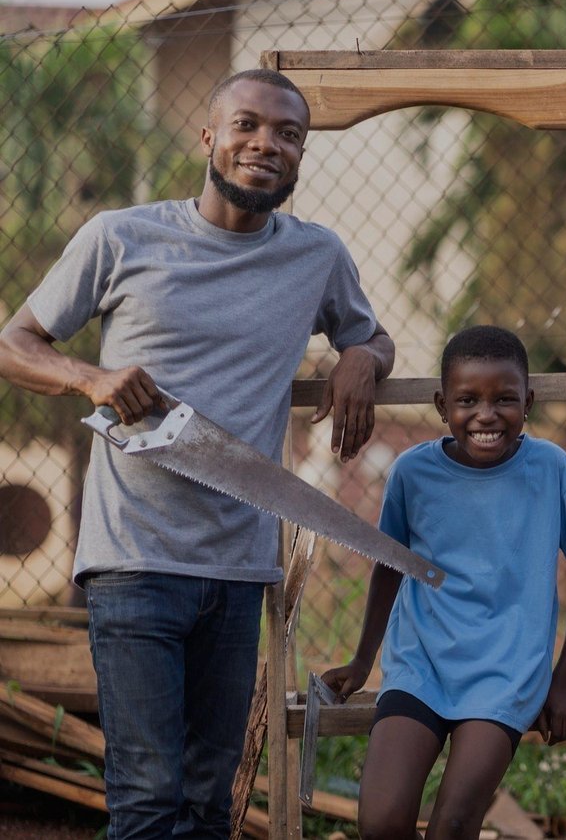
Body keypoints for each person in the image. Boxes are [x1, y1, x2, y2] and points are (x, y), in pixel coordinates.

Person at [0, 69, 395, 838]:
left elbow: (370, 333)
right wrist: (93, 377)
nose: (266, 145)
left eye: (287, 135)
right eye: (247, 125)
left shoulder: (317, 256)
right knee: (148, 800)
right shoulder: (121, 236)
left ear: (301, 155)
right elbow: (14, 344)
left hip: (239, 568)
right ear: (209, 137)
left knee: (212, 805)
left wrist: (362, 358)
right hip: (135, 561)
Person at [322, 325, 566, 840]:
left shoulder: (552, 469)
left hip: (507, 673)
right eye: (467, 400)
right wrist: (364, 661)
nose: (486, 415)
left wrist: (563, 681)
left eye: (505, 399)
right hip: (421, 665)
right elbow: (390, 564)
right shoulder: (412, 472)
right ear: (440, 404)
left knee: (452, 825)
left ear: (529, 402)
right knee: (382, 822)